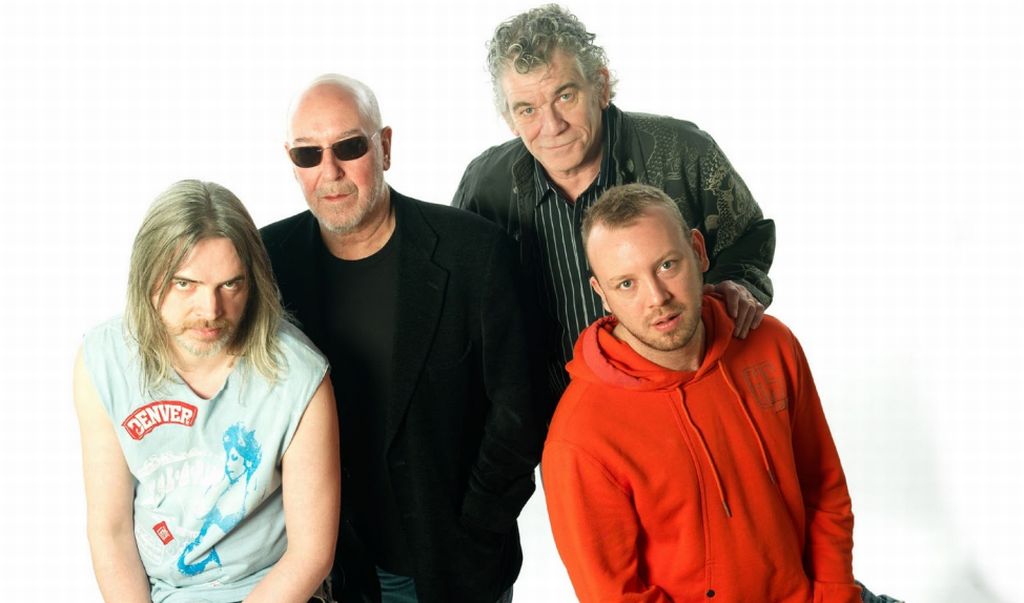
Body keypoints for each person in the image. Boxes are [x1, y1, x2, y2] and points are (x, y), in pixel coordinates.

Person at [261, 74, 544, 603]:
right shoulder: (266, 262)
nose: (330, 171)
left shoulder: (475, 254)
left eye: (350, 146)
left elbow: (520, 411)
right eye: (308, 154)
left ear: (384, 146)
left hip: (455, 565)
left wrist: (477, 528)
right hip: (329, 571)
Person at [542, 183, 862, 601]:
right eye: (626, 284)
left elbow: (823, 487)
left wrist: (835, 595)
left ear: (698, 251)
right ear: (601, 294)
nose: (657, 298)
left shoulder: (771, 344)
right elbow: (616, 595)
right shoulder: (580, 437)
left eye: (667, 265)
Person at [453, 4, 775, 396]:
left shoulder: (682, 151)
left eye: (565, 96)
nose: (552, 126)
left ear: (601, 87)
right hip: (554, 411)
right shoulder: (486, 186)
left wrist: (737, 282)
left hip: (686, 392)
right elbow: (462, 303)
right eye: (528, 110)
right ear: (509, 119)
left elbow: (750, 235)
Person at [73, 180, 340, 602]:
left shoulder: (300, 374)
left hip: (270, 590)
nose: (211, 311)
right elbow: (111, 529)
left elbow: (311, 555)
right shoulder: (103, 361)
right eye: (186, 284)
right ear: (147, 275)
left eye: (231, 285)